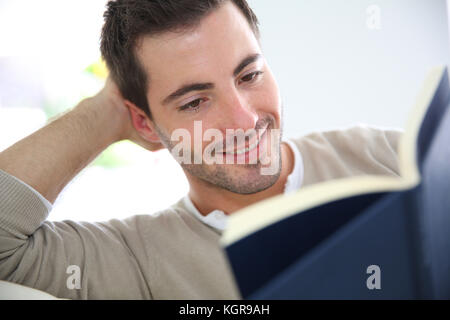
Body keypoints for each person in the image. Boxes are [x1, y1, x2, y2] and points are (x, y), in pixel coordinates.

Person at [0, 0, 402, 299]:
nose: (245, 122)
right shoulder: (136, 261)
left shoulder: (387, 156)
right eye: (194, 102)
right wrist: (104, 112)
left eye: (250, 75)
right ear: (143, 122)